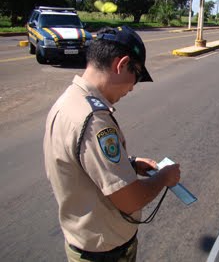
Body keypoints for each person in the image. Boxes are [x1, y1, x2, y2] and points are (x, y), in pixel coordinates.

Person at [43, 26, 180, 262]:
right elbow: (131, 200)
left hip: (88, 244)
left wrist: (131, 164)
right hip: (104, 254)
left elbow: (81, 164)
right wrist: (165, 177)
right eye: (136, 75)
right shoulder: (94, 121)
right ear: (121, 64)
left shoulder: (69, 101)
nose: (133, 87)